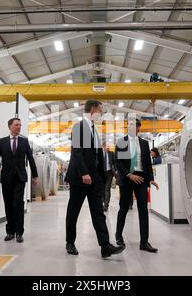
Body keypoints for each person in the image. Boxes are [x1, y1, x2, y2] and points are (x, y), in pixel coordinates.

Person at [65, 100, 125, 258]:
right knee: (73, 211)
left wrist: (100, 176)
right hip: (80, 178)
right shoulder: (79, 127)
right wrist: (84, 173)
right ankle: (70, 243)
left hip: (95, 180)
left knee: (98, 212)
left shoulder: (94, 130)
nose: (101, 113)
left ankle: (105, 246)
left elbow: (96, 155)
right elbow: (77, 153)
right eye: (100, 110)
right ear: (92, 110)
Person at [115, 118, 159, 253]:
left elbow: (147, 163)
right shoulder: (121, 142)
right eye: (129, 125)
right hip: (128, 179)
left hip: (141, 179)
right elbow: (118, 163)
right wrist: (129, 174)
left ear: (139, 128)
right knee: (123, 209)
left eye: (134, 126)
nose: (131, 128)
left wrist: (150, 179)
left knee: (143, 210)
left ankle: (144, 242)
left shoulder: (144, 144)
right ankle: (118, 236)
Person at [0, 118, 38, 243]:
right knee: (8, 204)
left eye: (20, 125)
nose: (19, 127)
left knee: (18, 204)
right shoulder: (2, 142)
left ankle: (19, 232)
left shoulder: (24, 142)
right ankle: (10, 231)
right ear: (10, 126)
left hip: (20, 178)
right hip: (6, 178)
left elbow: (31, 159)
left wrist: (35, 176)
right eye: (16, 125)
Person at [102, 142, 116, 212]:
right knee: (102, 189)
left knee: (107, 188)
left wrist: (116, 171)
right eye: (106, 146)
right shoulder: (100, 154)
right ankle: (104, 202)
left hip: (109, 173)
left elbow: (114, 163)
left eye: (108, 146)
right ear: (103, 147)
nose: (107, 147)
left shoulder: (111, 153)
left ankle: (106, 205)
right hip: (101, 174)